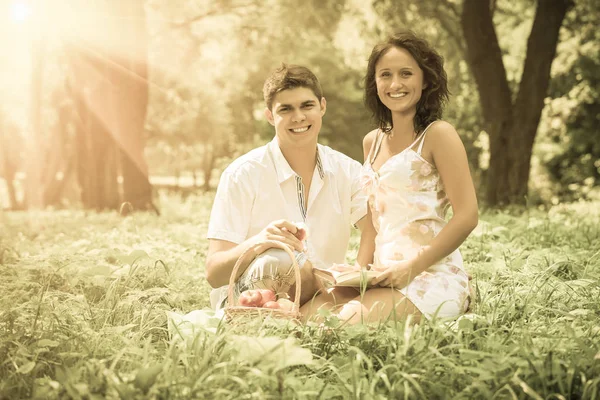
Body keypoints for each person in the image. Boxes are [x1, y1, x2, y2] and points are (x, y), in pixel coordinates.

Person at [304, 31, 478, 324]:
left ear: (426, 80)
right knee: (306, 314)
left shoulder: (438, 135)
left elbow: (467, 216)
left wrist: (408, 269)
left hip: (430, 278)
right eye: (385, 75)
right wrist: (360, 274)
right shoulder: (371, 142)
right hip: (381, 276)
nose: (395, 84)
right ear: (375, 83)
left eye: (406, 73)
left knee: (341, 323)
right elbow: (373, 225)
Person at [205, 64, 367, 310]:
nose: (299, 117)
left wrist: (361, 271)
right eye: (286, 109)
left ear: (322, 106)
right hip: (250, 298)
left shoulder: (349, 171)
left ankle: (310, 311)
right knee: (282, 259)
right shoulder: (242, 174)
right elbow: (214, 273)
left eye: (307, 106)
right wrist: (260, 242)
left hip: (323, 293)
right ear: (270, 116)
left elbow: (377, 231)